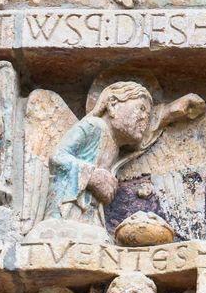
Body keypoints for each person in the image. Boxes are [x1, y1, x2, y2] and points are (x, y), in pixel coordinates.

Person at [43, 82, 152, 232]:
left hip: (88, 216)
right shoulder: (93, 125)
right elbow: (57, 157)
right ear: (113, 105)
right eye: (141, 109)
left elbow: (149, 136)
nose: (144, 118)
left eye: (148, 115)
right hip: (65, 213)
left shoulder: (115, 145)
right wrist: (92, 176)